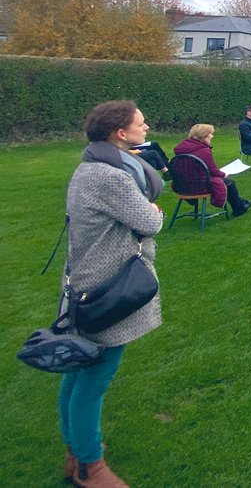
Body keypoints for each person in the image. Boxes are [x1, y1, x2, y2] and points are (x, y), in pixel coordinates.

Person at [58, 101, 164, 488]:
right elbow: (150, 220)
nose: (146, 126)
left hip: (86, 282)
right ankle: (90, 466)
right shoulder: (110, 176)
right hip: (106, 290)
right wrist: (153, 210)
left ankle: (75, 452)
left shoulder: (88, 167)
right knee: (94, 378)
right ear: (120, 132)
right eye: (140, 122)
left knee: (78, 369)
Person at [172, 124, 251, 216]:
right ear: (204, 136)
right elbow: (213, 170)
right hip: (199, 186)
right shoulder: (203, 150)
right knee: (230, 183)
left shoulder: (180, 149)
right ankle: (239, 208)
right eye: (210, 134)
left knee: (225, 182)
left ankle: (241, 203)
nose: (212, 136)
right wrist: (223, 174)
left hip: (184, 185)